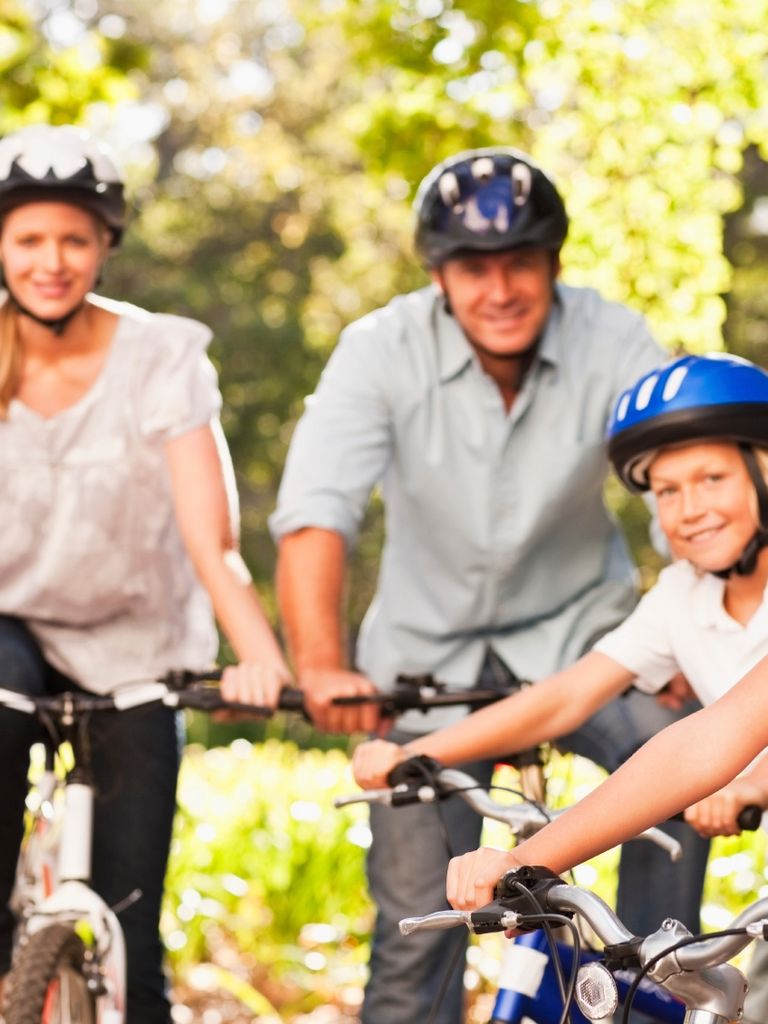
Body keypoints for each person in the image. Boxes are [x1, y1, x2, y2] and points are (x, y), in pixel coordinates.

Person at [269, 146, 709, 1024]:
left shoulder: (613, 337)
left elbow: (680, 491)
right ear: (439, 273)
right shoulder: (379, 349)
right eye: (474, 267)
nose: (499, 288)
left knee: (681, 777)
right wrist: (321, 664)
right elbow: (319, 508)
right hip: (424, 669)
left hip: (586, 648)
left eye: (522, 264)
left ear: (553, 263)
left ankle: (650, 987)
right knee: (416, 936)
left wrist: (692, 642)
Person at [0, 123, 291, 1024]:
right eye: (29, 239)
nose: (53, 261)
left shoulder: (161, 355)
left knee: (133, 931)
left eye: (75, 240)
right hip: (9, 626)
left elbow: (215, 541)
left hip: (137, 643)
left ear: (105, 245)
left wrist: (258, 657)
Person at [439, 352, 768, 1024]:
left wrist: (527, 861)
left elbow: (715, 741)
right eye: (667, 490)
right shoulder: (685, 593)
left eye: (712, 478)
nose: (689, 508)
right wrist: (426, 750)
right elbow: (566, 694)